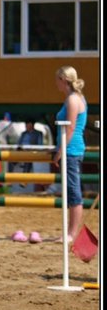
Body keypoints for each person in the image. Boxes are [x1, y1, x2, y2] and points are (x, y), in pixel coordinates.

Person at [53, 66, 87, 243]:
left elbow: (71, 127)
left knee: (74, 192)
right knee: (71, 191)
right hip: (71, 149)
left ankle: (72, 234)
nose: (55, 83)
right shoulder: (73, 98)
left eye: (57, 80)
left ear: (63, 80)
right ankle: (70, 232)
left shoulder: (73, 100)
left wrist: (60, 151)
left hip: (71, 150)